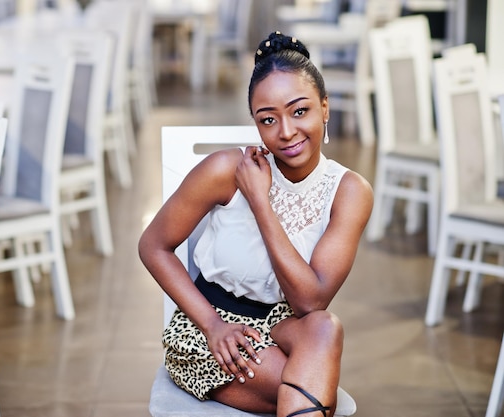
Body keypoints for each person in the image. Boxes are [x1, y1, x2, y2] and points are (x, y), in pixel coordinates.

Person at [138, 31, 373, 417]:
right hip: (208, 330)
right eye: (268, 119)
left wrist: (260, 202)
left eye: (300, 111)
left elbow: (310, 301)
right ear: (255, 122)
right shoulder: (226, 170)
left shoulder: (349, 191)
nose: (285, 132)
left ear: (325, 107)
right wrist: (213, 326)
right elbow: (153, 245)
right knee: (309, 388)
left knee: (325, 327)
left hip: (283, 325)